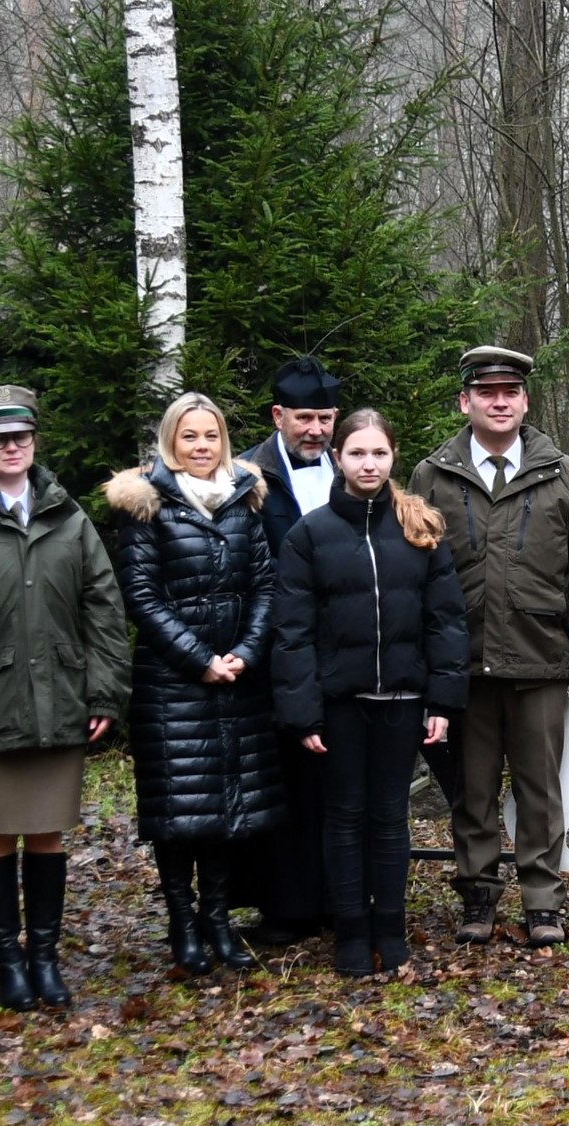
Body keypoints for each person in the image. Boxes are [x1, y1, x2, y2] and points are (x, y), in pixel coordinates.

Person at [0, 387, 129, 1010]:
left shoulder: (70, 519)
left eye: (20, 436)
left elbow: (103, 610)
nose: (10, 447)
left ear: (35, 441)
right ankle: (8, 963)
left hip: (59, 698)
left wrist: (104, 692)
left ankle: (44, 960)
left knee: (47, 834)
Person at [410, 346, 569, 947]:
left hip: (539, 659)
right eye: (486, 393)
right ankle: (477, 897)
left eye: (510, 393)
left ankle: (542, 902)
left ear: (525, 402)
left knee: (540, 791)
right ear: (465, 402)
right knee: (472, 791)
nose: (499, 403)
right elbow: (412, 575)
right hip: (463, 664)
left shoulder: (562, 473)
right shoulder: (432, 476)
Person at [274, 410, 467, 975]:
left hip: (403, 702)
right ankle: (351, 931)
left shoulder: (419, 530)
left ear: (393, 457)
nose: (368, 464)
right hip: (341, 704)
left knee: (389, 815)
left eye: (378, 453)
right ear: (337, 457)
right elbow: (293, 631)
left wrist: (443, 699)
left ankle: (390, 926)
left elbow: (446, 621)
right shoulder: (310, 535)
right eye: (357, 453)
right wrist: (303, 711)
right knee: (344, 817)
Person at [105, 393, 284, 975]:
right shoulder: (146, 504)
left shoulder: (244, 498)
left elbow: (265, 584)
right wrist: (199, 659)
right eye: (190, 436)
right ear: (170, 441)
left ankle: (218, 920)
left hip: (237, 677)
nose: (201, 446)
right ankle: (182, 924)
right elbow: (141, 596)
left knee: (228, 806)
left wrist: (245, 653)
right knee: (179, 812)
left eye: (211, 436)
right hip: (172, 683)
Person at [236, 355, 341, 945]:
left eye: (325, 418)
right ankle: (284, 905)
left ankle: (335, 897)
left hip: (343, 651)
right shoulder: (248, 478)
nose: (316, 430)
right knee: (281, 780)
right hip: (274, 651)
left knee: (334, 781)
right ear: (279, 416)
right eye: (304, 418)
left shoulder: (352, 469)